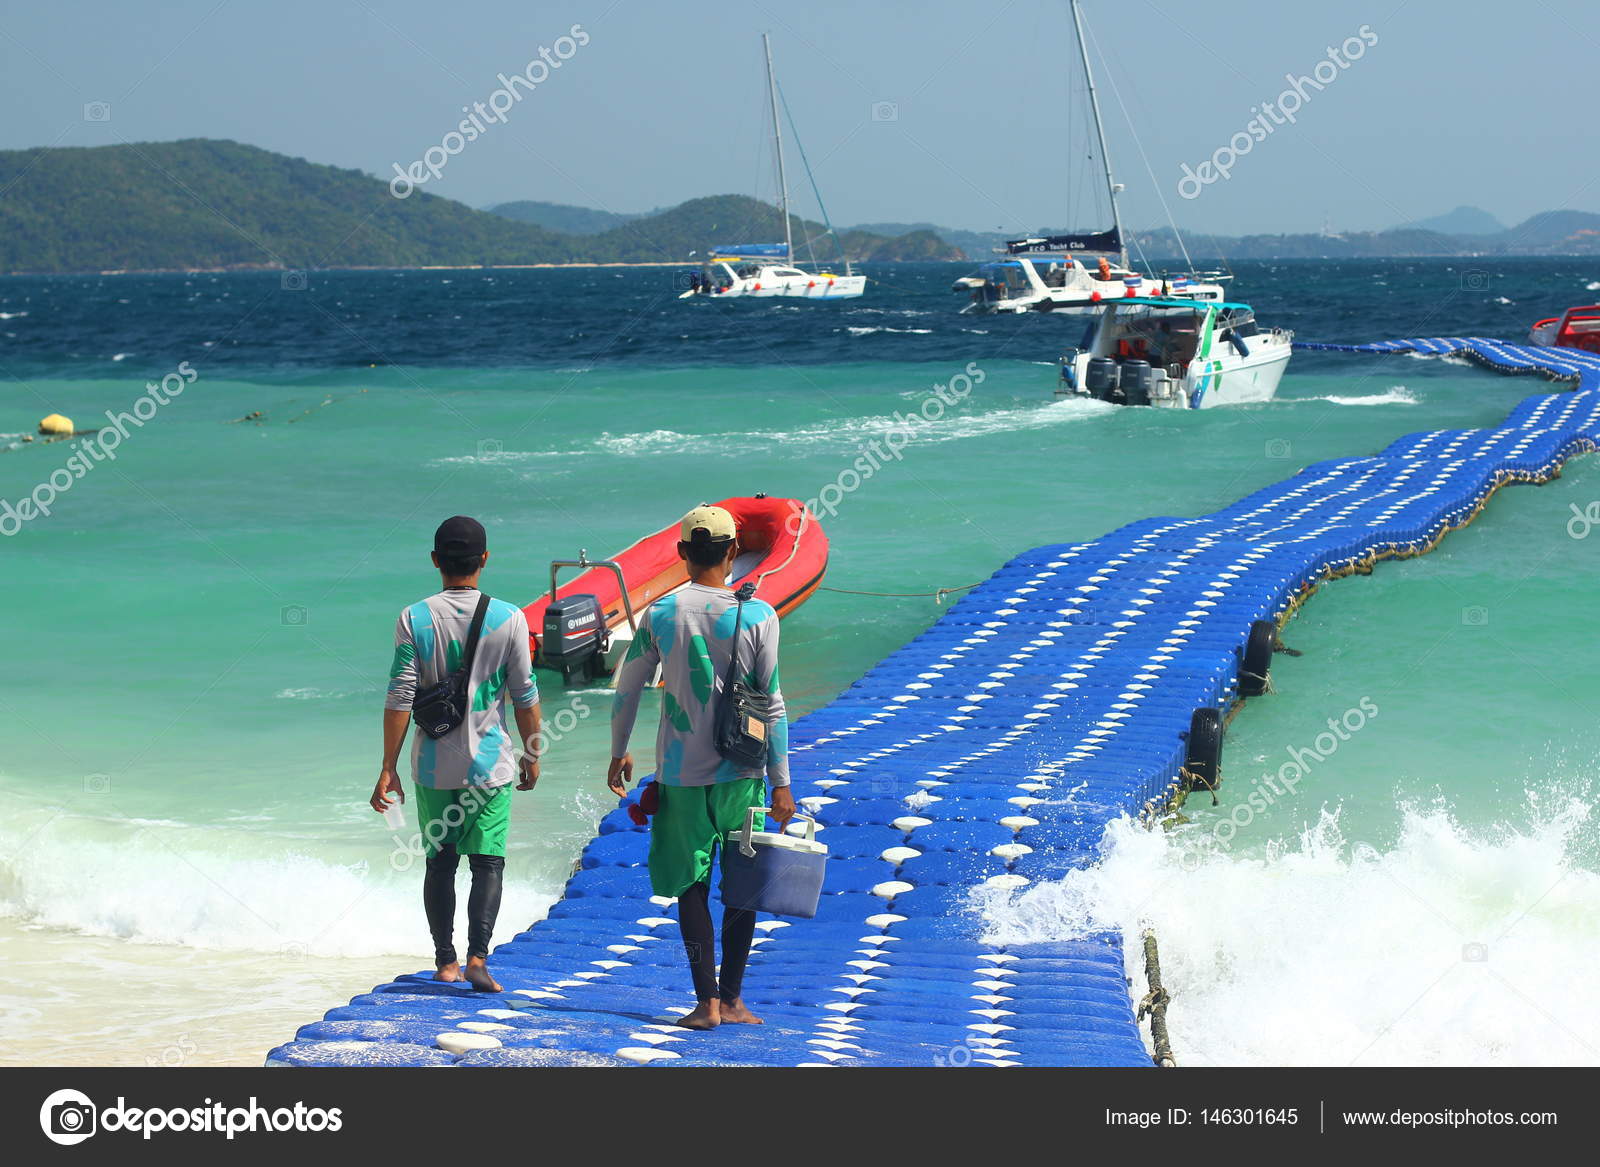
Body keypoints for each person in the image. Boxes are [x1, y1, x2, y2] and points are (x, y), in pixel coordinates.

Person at [607, 504, 796, 1030]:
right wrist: (782, 783)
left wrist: (619, 749)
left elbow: (628, 687)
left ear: (683, 553)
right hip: (744, 772)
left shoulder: (662, 614)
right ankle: (734, 1000)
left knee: (691, 885)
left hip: (680, 774)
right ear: (734, 550)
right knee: (741, 886)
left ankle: (705, 1003)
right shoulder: (758, 615)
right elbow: (771, 702)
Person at [370, 516, 542, 993]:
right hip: (491, 765)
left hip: (431, 766)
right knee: (488, 861)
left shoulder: (413, 618)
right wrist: (532, 753)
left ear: (435, 561)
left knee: (440, 860)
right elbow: (525, 694)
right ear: (484, 560)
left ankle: (445, 961)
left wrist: (387, 767)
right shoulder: (509, 618)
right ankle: (478, 958)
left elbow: (399, 695)